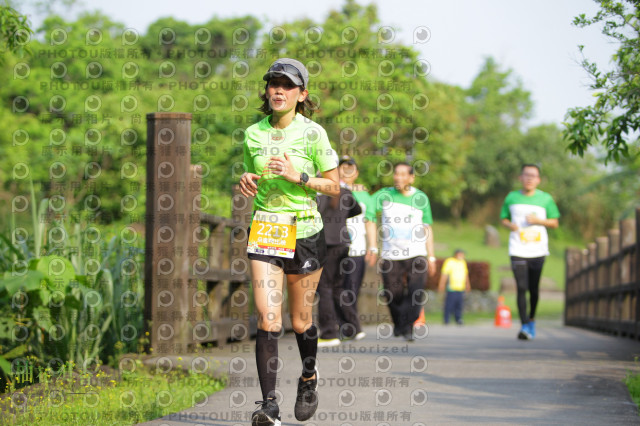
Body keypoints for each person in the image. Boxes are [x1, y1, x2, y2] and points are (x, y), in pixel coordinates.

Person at [239, 58, 340, 426]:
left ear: (302, 94)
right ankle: (268, 405)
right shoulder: (252, 134)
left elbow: (333, 186)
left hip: (305, 232)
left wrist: (301, 176)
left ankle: (308, 378)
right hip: (266, 227)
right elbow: (255, 175)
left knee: (300, 321)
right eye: (273, 83)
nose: (278, 90)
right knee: (268, 319)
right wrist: (247, 179)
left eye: (287, 84)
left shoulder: (314, 133)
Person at [365, 162, 436, 341]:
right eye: (396, 174)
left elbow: (427, 228)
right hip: (391, 254)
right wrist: (373, 246)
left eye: (403, 174)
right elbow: (370, 215)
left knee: (416, 292)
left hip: (417, 253)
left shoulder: (421, 198)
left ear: (411, 177)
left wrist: (432, 256)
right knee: (392, 292)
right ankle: (399, 323)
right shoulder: (384, 195)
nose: (398, 177)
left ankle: (408, 325)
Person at [500, 164, 560, 341]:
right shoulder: (512, 197)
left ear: (538, 180)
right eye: (526, 175)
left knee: (533, 289)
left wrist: (538, 221)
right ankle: (524, 324)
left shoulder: (546, 199)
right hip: (517, 248)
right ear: (521, 177)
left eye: (533, 175)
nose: (529, 178)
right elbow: (503, 218)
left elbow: (555, 223)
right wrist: (509, 225)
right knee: (521, 287)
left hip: (538, 250)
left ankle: (531, 319)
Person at [315, 156, 362, 347]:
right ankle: (353, 327)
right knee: (338, 288)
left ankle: (328, 333)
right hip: (343, 243)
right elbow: (356, 210)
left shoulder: (318, 192)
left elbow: (316, 212)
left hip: (325, 243)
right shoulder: (345, 192)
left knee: (324, 288)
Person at [337, 155, 377, 341]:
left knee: (352, 289)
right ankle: (343, 326)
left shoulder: (364, 195)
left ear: (356, 172)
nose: (346, 171)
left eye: (350, 168)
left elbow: (369, 222)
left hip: (357, 249)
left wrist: (373, 247)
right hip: (335, 247)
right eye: (342, 167)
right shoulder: (331, 190)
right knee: (334, 287)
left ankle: (349, 327)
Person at [438, 249, 471, 325]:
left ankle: (458, 318)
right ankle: (446, 319)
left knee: (459, 304)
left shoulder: (463, 262)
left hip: (460, 287)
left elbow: (465, 274)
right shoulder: (450, 261)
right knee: (449, 304)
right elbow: (445, 274)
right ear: (456, 254)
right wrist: (442, 284)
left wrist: (468, 284)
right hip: (451, 287)